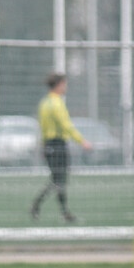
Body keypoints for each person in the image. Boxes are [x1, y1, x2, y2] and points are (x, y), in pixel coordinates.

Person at [31, 73, 89, 222]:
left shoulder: (44, 103)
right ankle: (57, 211)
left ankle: (57, 210)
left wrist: (44, 146)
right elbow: (66, 125)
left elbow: (43, 127)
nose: (66, 87)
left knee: (57, 180)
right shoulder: (57, 103)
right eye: (65, 84)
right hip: (58, 144)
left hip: (49, 145)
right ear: (59, 85)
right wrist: (82, 141)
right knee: (59, 180)